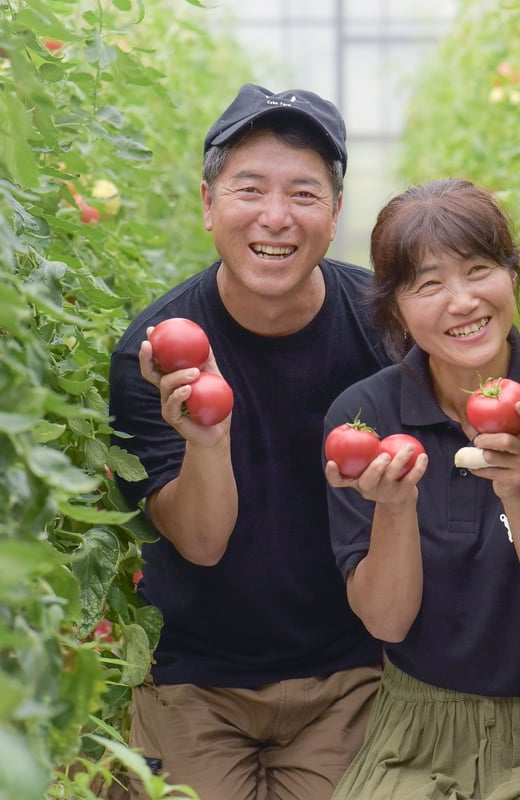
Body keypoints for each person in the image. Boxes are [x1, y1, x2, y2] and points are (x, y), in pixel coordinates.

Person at [108, 83, 391, 800]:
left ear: (333, 217)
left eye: (303, 194)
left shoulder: (387, 331)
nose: (275, 217)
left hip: (347, 676)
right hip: (194, 678)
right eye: (249, 188)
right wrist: (207, 436)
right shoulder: (156, 354)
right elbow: (199, 543)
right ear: (208, 206)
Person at [323, 178, 520, 799]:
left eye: (479, 269)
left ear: (512, 276)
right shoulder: (364, 417)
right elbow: (386, 620)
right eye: (428, 284)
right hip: (417, 730)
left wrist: (519, 489)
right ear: (395, 309)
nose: (461, 301)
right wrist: (395, 509)